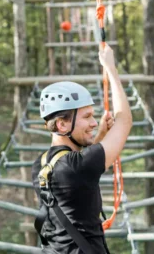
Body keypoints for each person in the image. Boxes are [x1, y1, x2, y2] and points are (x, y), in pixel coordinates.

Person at [31, 44, 132, 254]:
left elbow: (77, 180)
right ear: (62, 125)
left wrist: (101, 136)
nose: (94, 123)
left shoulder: (41, 164)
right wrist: (111, 69)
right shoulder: (77, 166)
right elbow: (124, 122)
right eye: (87, 117)